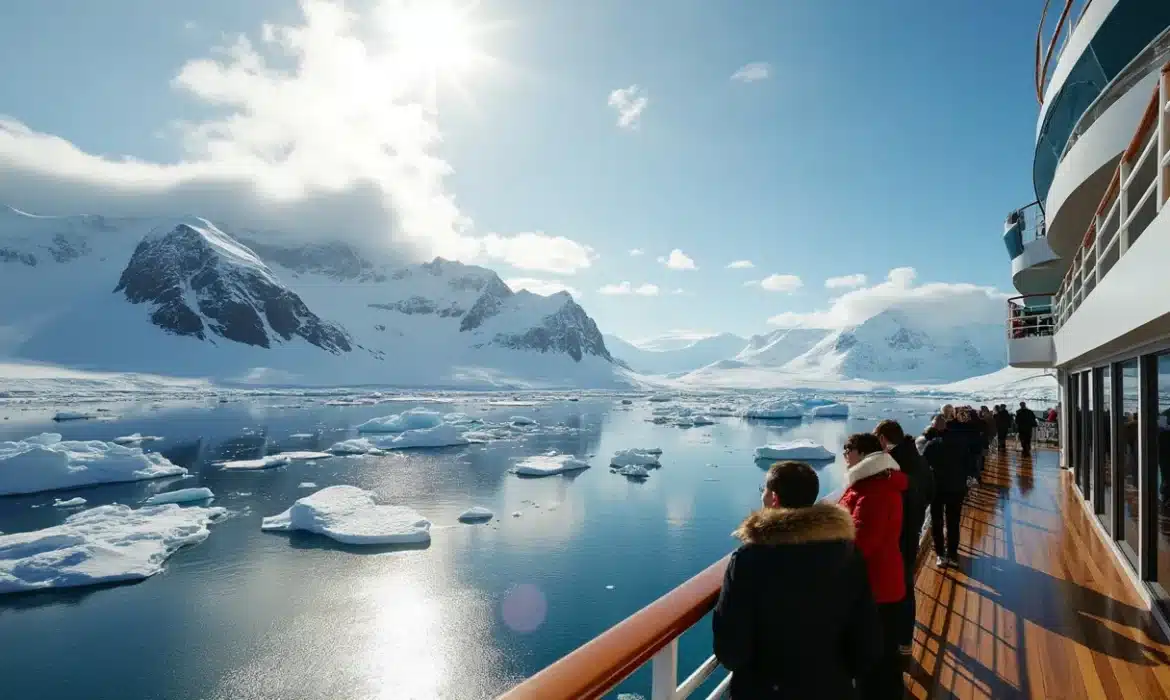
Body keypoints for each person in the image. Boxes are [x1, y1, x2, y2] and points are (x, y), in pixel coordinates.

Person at [713, 461, 881, 699]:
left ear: (774, 499)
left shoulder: (749, 560)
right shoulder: (847, 553)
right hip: (832, 688)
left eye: (764, 490)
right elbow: (867, 639)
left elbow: (731, 650)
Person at [839, 433, 909, 700]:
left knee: (874, 657)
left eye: (849, 449)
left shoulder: (873, 492)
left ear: (864, 454)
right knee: (880, 653)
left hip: (876, 586)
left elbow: (861, 545)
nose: (845, 454)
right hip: (882, 581)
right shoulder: (872, 484)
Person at [874, 420, 933, 661]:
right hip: (911, 531)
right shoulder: (916, 457)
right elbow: (929, 490)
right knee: (906, 587)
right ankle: (905, 642)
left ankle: (889, 645)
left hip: (896, 536)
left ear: (883, 439)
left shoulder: (893, 465)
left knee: (894, 590)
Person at [923, 420, 973, 568]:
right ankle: (952, 555)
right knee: (953, 522)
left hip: (938, 489)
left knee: (937, 522)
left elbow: (924, 467)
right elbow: (969, 463)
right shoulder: (961, 442)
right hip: (957, 488)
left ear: (935, 427)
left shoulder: (932, 445)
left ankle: (940, 554)